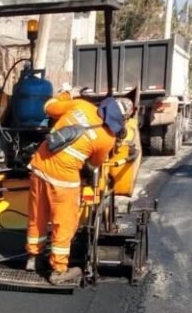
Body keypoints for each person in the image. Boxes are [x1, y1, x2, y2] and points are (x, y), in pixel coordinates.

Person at [25, 90, 125, 285]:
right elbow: (93, 165)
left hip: (39, 166)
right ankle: (59, 270)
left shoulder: (80, 105)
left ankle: (33, 258)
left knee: (38, 215)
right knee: (64, 223)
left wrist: (66, 95)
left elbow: (48, 107)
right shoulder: (108, 138)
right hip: (64, 180)